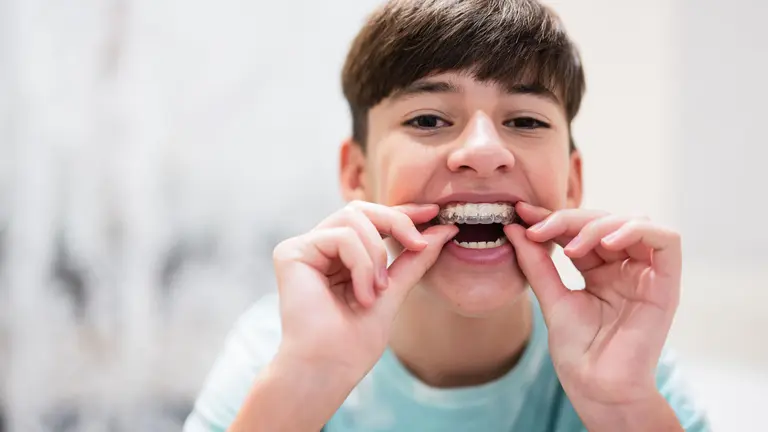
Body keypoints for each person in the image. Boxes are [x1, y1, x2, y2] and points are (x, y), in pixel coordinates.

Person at [183, 1, 710, 430]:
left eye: (525, 121)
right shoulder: (278, 353)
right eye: (429, 119)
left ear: (571, 183)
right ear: (357, 174)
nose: (483, 151)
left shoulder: (629, 365)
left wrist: (622, 407)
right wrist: (304, 384)